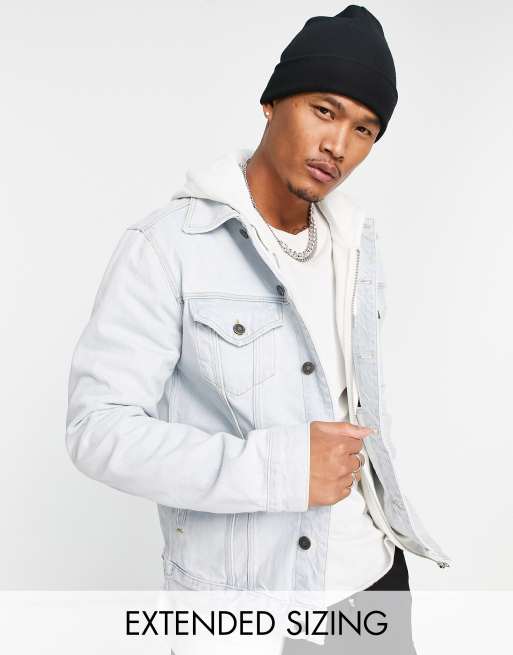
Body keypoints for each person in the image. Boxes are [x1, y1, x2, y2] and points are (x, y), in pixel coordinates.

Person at [65, 5, 451, 653]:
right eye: (323, 110)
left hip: (373, 582)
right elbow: (95, 430)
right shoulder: (169, 246)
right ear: (271, 103)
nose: (338, 145)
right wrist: (279, 468)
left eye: (363, 129)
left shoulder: (357, 242)